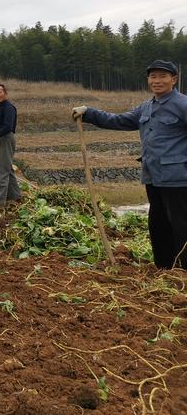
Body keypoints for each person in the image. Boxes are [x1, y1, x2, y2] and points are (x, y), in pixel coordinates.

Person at [73, 60, 187, 270]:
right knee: (158, 225)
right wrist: (89, 113)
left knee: (181, 226)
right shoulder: (146, 107)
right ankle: (164, 269)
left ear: (174, 79)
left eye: (162, 76)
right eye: (153, 77)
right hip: (153, 176)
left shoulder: (182, 104)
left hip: (178, 178)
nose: (157, 81)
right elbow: (118, 120)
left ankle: (184, 270)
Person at [0, 84, 22, 205]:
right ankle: (15, 196)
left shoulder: (8, 107)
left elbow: (8, 127)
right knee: (7, 168)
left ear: (5, 93)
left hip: (5, 138)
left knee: (1, 171)